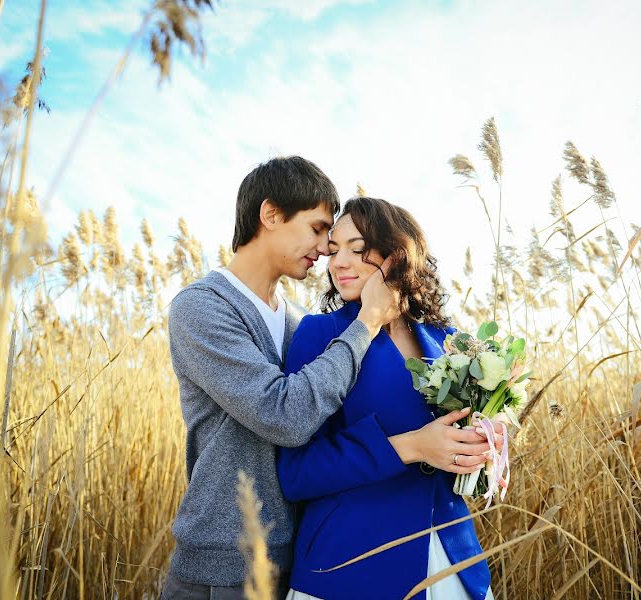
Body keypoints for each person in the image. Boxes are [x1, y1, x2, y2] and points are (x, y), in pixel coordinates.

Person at [161, 158, 491, 600]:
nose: (326, 253)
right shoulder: (203, 308)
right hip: (226, 563)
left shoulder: (297, 323)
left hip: (297, 548)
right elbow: (287, 416)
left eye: (341, 244)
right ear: (271, 215)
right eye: (320, 232)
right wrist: (369, 320)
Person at [278, 197, 495, 600]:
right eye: (334, 249)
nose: (338, 262)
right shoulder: (319, 334)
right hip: (353, 565)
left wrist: (484, 444)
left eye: (357, 250)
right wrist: (412, 447)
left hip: (454, 560)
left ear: (397, 257)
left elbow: (462, 440)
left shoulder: (449, 340)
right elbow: (296, 473)